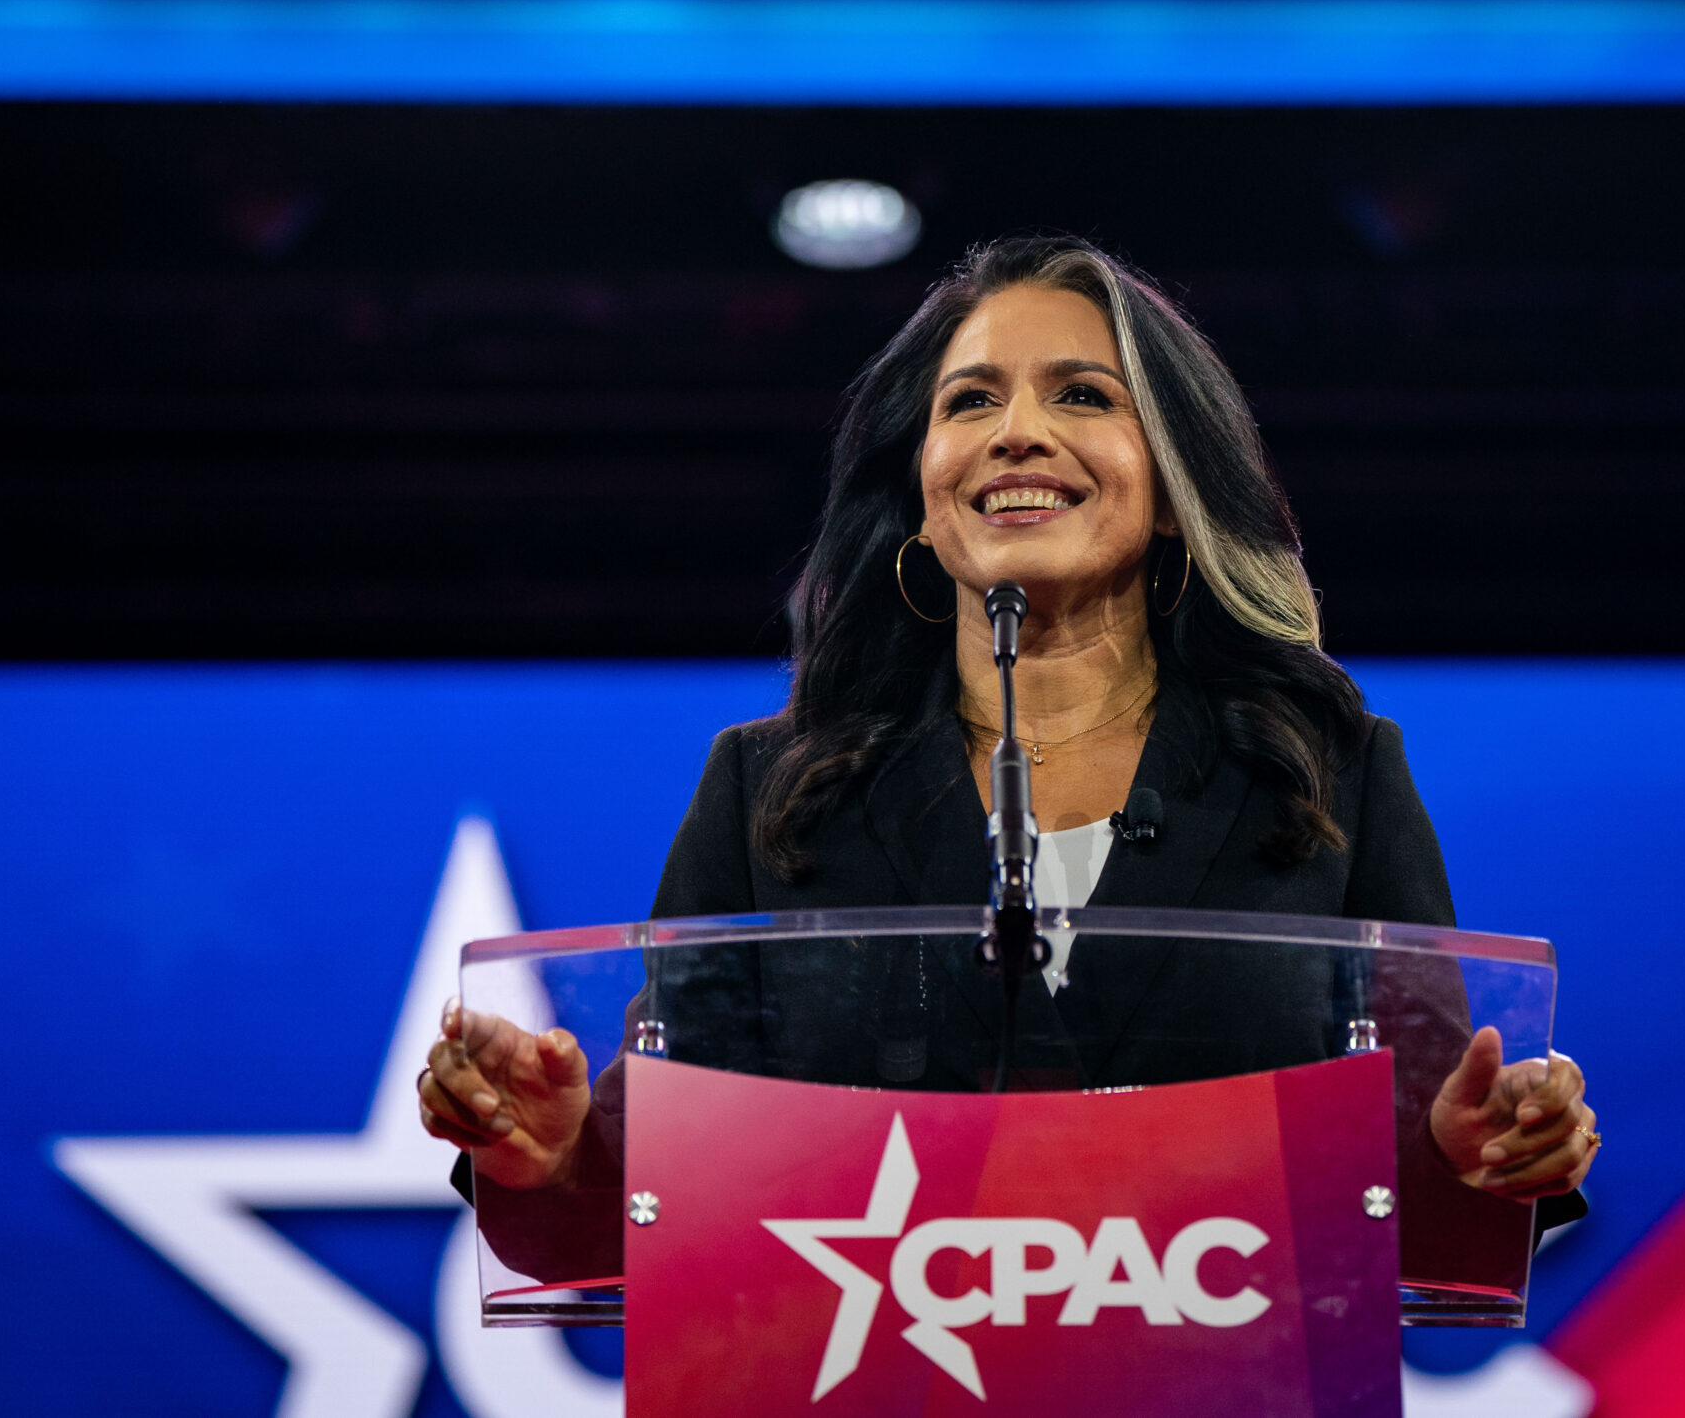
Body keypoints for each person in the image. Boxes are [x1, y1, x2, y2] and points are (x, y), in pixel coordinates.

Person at [419, 235, 1598, 1273]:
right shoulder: (769, 794)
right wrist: (550, 1152)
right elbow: (636, 1203)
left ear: (1179, 488)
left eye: (1084, 395)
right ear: (922, 500)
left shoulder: (1328, 773)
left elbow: (1430, 1200)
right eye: (969, 402)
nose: (1017, 433)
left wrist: (1481, 1155)